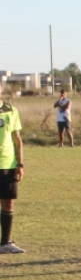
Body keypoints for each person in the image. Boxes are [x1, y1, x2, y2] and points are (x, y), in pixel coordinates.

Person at [0, 81, 26, 254]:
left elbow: (17, 140)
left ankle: (4, 243)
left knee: (8, 202)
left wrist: (20, 164)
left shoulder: (10, 111)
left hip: (7, 163)